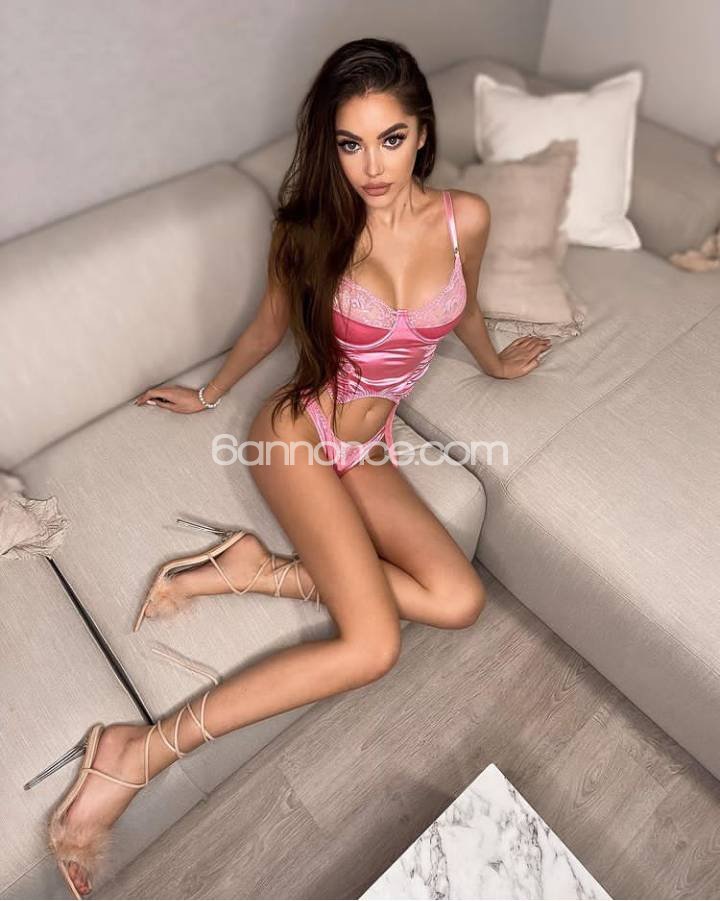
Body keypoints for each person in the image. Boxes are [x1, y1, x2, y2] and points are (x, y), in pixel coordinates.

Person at [30, 37, 551, 898]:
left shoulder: (468, 218)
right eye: (350, 143)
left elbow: (463, 310)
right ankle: (137, 750)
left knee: (460, 599)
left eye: (390, 138)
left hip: (370, 446)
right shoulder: (312, 229)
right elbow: (269, 328)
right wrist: (208, 394)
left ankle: (255, 569)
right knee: (374, 646)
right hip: (297, 432)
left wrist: (495, 362)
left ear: (423, 132)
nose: (371, 166)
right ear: (330, 145)